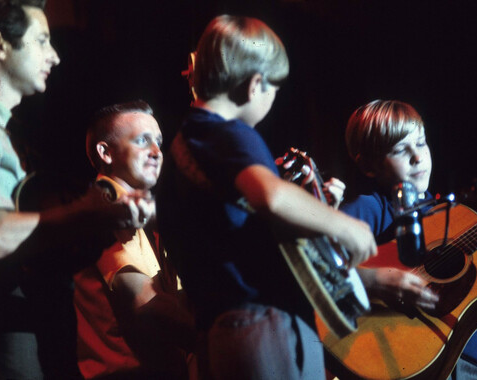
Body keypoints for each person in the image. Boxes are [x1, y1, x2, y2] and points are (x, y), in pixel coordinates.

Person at [156, 15, 377, 380]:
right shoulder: (233, 135)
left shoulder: (185, 141)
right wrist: (348, 227)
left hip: (218, 333)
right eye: (274, 89)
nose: (273, 99)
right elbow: (270, 196)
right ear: (255, 84)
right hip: (264, 328)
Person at [0, 1, 141, 377]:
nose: (54, 55)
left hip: (37, 329)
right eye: (41, 41)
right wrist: (84, 212)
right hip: (0, 338)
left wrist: (96, 226)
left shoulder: (13, 135)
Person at [341, 99, 477, 379]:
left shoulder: (453, 217)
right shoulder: (369, 207)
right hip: (399, 356)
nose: (417, 157)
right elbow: (318, 265)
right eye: (400, 149)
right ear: (369, 166)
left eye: (421, 143)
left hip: (467, 363)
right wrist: (378, 282)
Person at [74, 101, 195, 380]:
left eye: (159, 142)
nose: (157, 152)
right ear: (105, 153)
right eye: (143, 141)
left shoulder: (145, 214)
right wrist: (222, 337)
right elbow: (149, 306)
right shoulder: (105, 208)